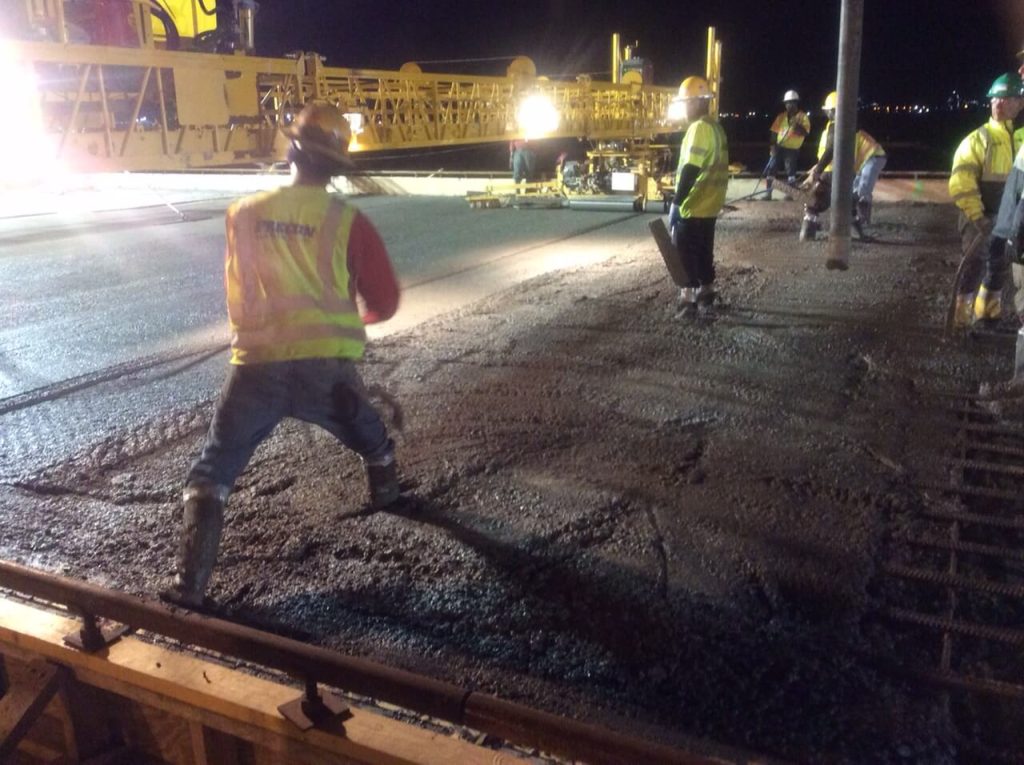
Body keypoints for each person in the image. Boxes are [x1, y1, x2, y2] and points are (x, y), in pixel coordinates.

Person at [160, 102, 402, 608]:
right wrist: (350, 326)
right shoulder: (347, 221)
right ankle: (388, 495)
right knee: (370, 436)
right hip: (326, 370)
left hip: (254, 369)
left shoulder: (241, 215)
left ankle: (189, 586)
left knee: (214, 470)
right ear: (337, 166)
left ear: (290, 151)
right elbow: (384, 302)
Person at [948, 72, 1024, 328]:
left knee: (999, 267)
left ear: (1020, 102)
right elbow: (962, 183)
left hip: (1008, 220)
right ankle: (961, 319)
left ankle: (988, 314)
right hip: (978, 218)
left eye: (1006, 99)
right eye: (994, 100)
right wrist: (978, 217)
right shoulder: (977, 140)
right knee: (974, 266)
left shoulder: (1022, 139)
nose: (998, 104)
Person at [667, 75, 729, 318]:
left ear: (694, 102)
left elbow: (691, 169)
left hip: (694, 203)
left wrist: (677, 202)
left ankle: (688, 300)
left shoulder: (698, 128)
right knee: (704, 250)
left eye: (684, 103)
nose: (683, 108)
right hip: (711, 203)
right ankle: (707, 292)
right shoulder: (716, 127)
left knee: (685, 251)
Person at [800, 91, 886, 241]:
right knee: (848, 202)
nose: (827, 114)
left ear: (834, 111)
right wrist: (817, 166)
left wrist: (819, 169)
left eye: (828, 111)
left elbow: (832, 149)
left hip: (833, 171)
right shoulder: (849, 125)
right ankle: (857, 233)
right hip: (847, 170)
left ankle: (807, 232)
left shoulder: (836, 126)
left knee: (816, 200)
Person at [764, 90, 810, 200]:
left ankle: (790, 194)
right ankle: (768, 193)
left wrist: (796, 124)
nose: (789, 105)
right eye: (787, 103)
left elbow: (805, 132)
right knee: (771, 169)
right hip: (779, 147)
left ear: (796, 103)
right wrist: (772, 146)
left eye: (791, 102)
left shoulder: (803, 117)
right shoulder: (781, 117)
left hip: (792, 149)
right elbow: (774, 133)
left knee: (791, 171)